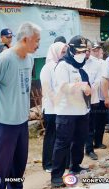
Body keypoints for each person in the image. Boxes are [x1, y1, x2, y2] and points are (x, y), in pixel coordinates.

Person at [0, 22, 41, 189]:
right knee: (0, 167)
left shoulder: (30, 60)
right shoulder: (4, 59)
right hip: (4, 122)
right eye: (36, 40)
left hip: (21, 121)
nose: (38, 44)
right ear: (26, 39)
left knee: (18, 166)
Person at [51, 35, 90, 187]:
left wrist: (88, 89)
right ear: (72, 50)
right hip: (66, 111)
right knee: (62, 144)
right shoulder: (63, 66)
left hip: (82, 110)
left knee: (80, 141)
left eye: (84, 51)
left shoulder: (80, 66)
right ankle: (56, 176)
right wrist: (82, 85)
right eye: (79, 51)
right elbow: (62, 87)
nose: (82, 54)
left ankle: (75, 166)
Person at [40, 42, 67, 172]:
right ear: (55, 52)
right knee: (51, 136)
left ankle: (63, 162)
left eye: (65, 52)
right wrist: (57, 101)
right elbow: (47, 89)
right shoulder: (47, 67)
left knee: (62, 137)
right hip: (51, 108)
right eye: (62, 52)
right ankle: (48, 163)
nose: (65, 54)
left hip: (62, 108)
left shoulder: (63, 66)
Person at [83, 42, 102, 160]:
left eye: (89, 49)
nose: (87, 52)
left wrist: (91, 88)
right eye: (85, 49)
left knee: (90, 125)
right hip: (78, 99)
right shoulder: (75, 62)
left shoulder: (96, 63)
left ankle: (89, 149)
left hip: (93, 97)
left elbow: (99, 78)